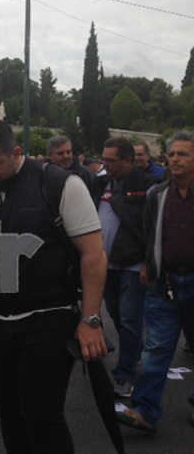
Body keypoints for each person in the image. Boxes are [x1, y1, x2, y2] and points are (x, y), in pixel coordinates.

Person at [0, 120, 108, 454]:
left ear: (16, 153)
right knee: (9, 413)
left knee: (42, 416)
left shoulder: (60, 184)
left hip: (48, 317)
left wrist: (90, 319)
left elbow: (93, 254)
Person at [117, 132, 194, 434]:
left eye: (183, 154)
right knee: (155, 349)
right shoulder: (157, 194)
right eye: (172, 154)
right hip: (165, 283)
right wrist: (150, 265)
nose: (175, 159)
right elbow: (151, 235)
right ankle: (146, 412)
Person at [96, 137, 154, 398]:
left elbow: (152, 229)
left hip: (132, 264)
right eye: (104, 159)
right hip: (105, 263)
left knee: (130, 319)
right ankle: (135, 352)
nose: (105, 164)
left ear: (129, 161)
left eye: (111, 160)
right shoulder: (101, 183)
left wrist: (149, 264)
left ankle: (125, 374)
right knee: (116, 314)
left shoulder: (146, 187)